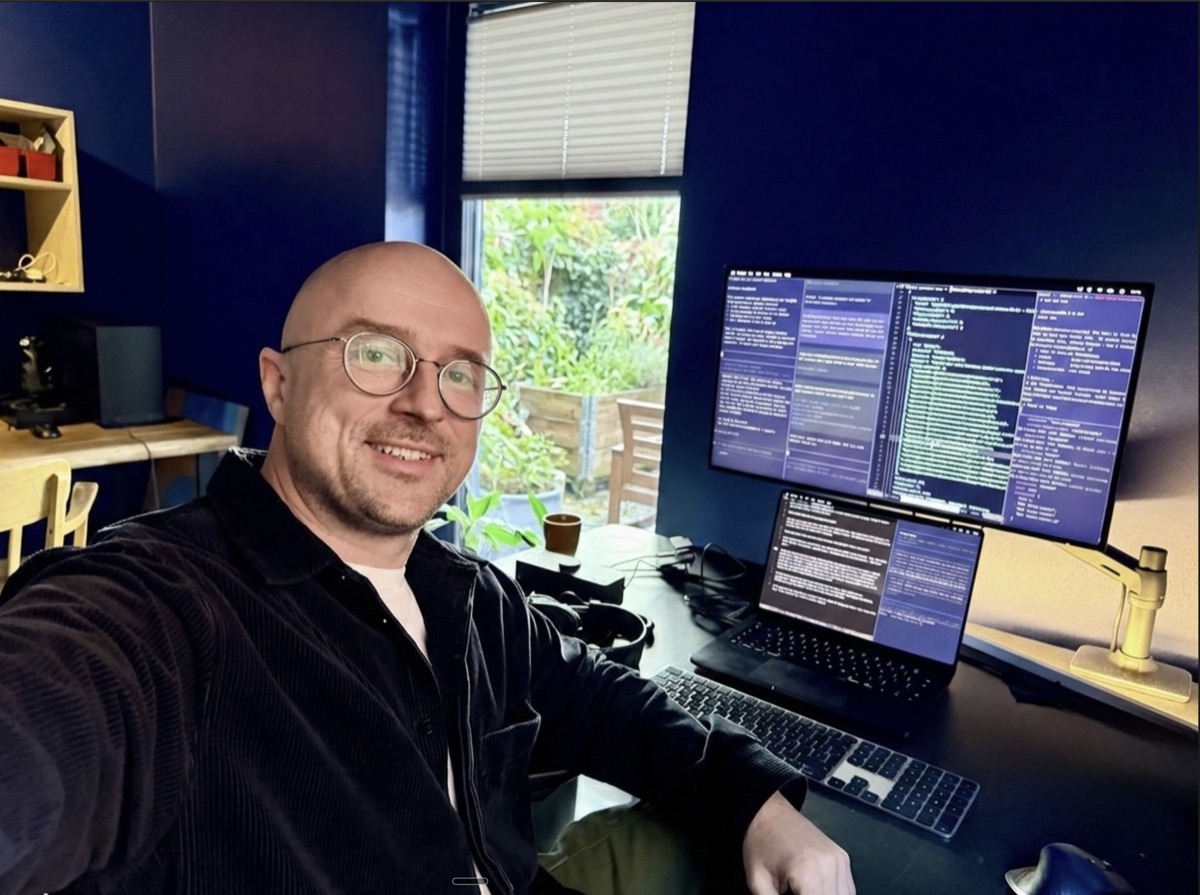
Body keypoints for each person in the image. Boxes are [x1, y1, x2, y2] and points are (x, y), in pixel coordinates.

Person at [0, 242, 854, 895]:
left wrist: (757, 804)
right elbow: (44, 721)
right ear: (279, 383)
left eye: (459, 373)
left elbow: (599, 695)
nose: (422, 402)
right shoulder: (163, 609)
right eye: (376, 352)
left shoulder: (465, 593)